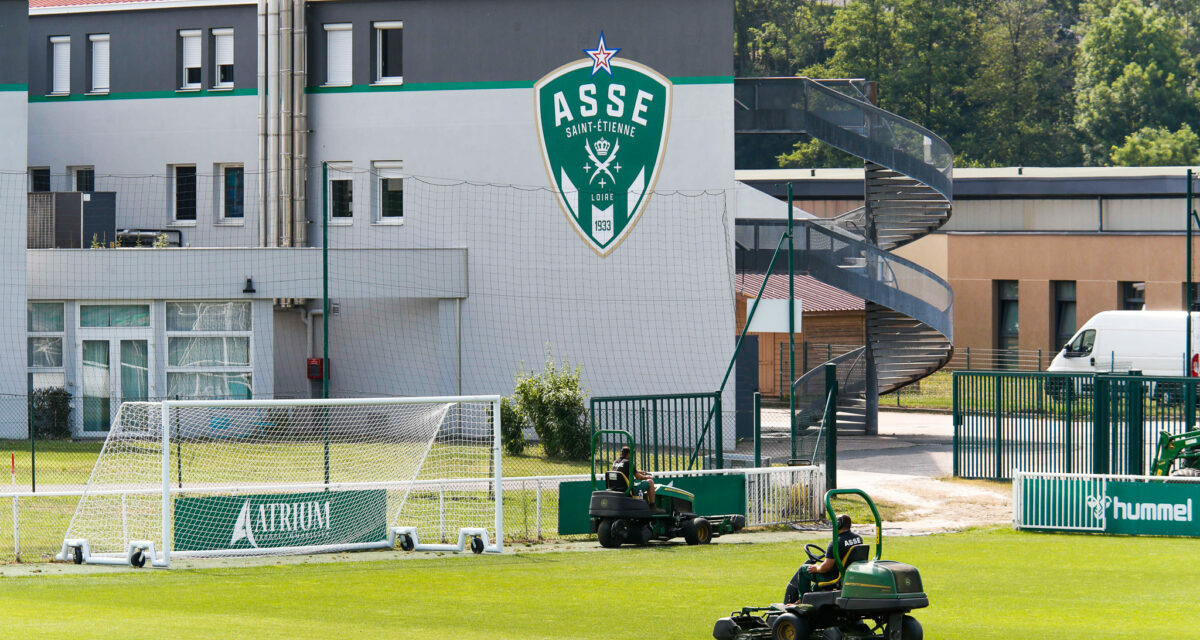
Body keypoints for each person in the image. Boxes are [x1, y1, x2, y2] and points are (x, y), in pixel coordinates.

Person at [785, 514, 863, 603]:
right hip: (849, 574)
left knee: (803, 570)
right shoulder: (858, 538)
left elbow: (826, 567)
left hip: (834, 576)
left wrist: (817, 568)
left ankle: (803, 601)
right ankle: (812, 597)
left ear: (838, 524)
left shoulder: (836, 542)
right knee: (815, 585)